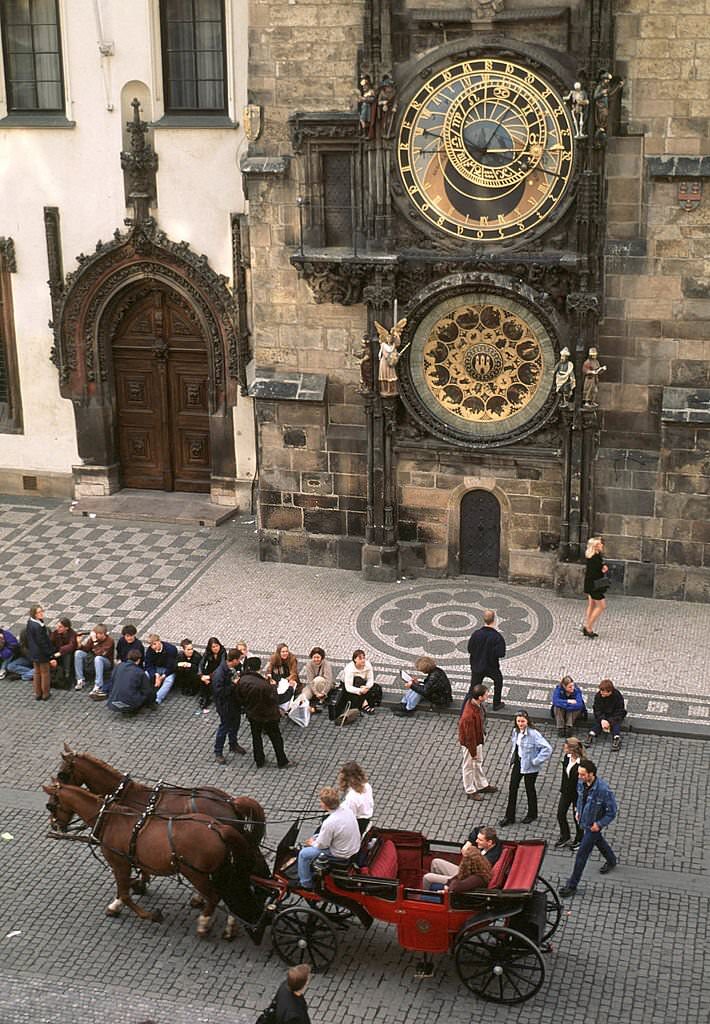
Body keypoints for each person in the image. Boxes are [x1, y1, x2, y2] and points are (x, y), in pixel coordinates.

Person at [559, 758, 618, 897]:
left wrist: (599, 824)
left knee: (582, 854)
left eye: (582, 774)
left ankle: (572, 885)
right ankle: (611, 860)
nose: (580, 777)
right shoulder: (581, 783)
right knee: (598, 841)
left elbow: (612, 812)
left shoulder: (603, 790)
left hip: (593, 825)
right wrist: (578, 811)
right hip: (585, 821)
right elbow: (580, 799)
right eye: (579, 774)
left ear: (592, 774)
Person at [297, 786, 361, 889]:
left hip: (340, 853)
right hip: (352, 846)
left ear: (325, 805)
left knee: (304, 854)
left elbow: (322, 845)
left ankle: (306, 883)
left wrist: (311, 843)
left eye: (321, 802)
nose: (320, 803)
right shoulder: (347, 809)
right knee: (316, 836)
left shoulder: (329, 822)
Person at [499, 711, 552, 826]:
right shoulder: (515, 731)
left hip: (530, 766)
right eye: (518, 721)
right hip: (519, 762)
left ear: (527, 721)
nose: (520, 724)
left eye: (522, 721)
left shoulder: (534, 734)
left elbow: (547, 748)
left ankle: (532, 814)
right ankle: (509, 816)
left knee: (529, 788)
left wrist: (536, 761)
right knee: (513, 787)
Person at [237, 656, 290, 769]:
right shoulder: (264, 685)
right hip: (268, 715)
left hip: (253, 714)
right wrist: (273, 686)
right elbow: (274, 699)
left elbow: (239, 697)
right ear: (259, 667)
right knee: (276, 737)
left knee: (256, 737)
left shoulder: (242, 680)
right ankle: (282, 761)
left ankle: (259, 760)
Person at [458, 683, 498, 801]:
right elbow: (469, 737)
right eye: (486, 694)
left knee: (477, 762)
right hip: (471, 743)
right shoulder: (469, 715)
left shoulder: (476, 704)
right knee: (469, 766)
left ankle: (481, 785)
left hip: (477, 739)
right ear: (480, 697)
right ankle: (470, 790)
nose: (488, 695)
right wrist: (473, 752)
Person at [466, 609, 506, 710]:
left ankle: (470, 704)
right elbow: (501, 653)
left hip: (477, 665)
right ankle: (496, 703)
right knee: (498, 681)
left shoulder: (476, 634)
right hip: (491, 666)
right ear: (494, 620)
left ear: (484, 619)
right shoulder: (497, 637)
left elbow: (470, 649)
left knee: (474, 686)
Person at [212, 648, 246, 764]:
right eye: (239, 659)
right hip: (225, 705)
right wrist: (233, 684)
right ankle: (218, 752)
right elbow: (219, 692)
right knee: (224, 727)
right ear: (234, 660)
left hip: (234, 703)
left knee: (235, 724)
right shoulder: (220, 673)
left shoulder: (232, 668)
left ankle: (233, 744)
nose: (240, 662)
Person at [423, 843, 492, 893]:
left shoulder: (476, 879)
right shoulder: (480, 868)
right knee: (436, 862)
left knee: (427, 877)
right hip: (462, 878)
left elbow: (455, 887)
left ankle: (426, 896)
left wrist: (448, 887)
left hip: (459, 885)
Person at [555, 737, 585, 849]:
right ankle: (565, 836)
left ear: (572, 749)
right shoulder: (567, 757)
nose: (564, 748)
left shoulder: (582, 764)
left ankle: (580, 839)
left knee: (577, 817)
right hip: (566, 791)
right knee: (560, 814)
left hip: (577, 794)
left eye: (566, 747)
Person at [106, 649, 154, 714]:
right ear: (138, 660)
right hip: (130, 704)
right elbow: (147, 690)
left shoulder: (118, 666)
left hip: (112, 702)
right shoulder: (139, 672)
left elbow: (112, 681)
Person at [74, 624, 115, 695]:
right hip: (93, 659)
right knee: (78, 653)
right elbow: (86, 649)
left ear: (103, 634)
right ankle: (80, 679)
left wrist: (95, 641)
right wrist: (79, 644)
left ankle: (98, 685)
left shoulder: (110, 641)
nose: (96, 635)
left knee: (98, 658)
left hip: (106, 662)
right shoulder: (93, 639)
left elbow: (100, 653)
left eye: (97, 634)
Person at [587, 678, 627, 752]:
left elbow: (619, 711)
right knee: (598, 723)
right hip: (603, 714)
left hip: (614, 715)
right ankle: (592, 734)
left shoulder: (617, 696)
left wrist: (609, 721)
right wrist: (602, 719)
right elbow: (597, 709)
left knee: (615, 724)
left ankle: (616, 738)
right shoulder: (598, 696)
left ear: (609, 692)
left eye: (603, 692)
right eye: (601, 691)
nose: (601, 693)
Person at [582, 535, 608, 638]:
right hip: (595, 586)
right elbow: (594, 573)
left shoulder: (594, 556)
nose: (602, 545)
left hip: (590, 584)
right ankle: (588, 627)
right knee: (601, 606)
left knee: (592, 605)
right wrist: (602, 570)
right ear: (596, 546)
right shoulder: (594, 558)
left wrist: (602, 567)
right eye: (601, 544)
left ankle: (587, 626)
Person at [26, 603, 53, 701]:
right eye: (39, 612)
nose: (41, 613)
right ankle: (45, 693)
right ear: (34, 614)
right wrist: (49, 652)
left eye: (42, 611)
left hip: (34, 652)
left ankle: (38, 693)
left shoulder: (30, 622)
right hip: (41, 653)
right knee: (45, 673)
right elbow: (42, 642)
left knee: (37, 673)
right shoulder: (38, 626)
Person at [337, 761, 374, 833]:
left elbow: (350, 817)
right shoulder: (367, 785)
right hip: (366, 817)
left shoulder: (352, 797)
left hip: (358, 824)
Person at [341, 649, 378, 715]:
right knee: (358, 680)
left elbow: (370, 679)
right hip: (350, 685)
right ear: (355, 659)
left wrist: (366, 687)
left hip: (363, 685)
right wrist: (360, 690)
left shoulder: (368, 665)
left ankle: (362, 704)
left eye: (364, 658)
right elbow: (348, 687)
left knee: (376, 688)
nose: (363, 660)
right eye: (360, 658)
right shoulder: (349, 669)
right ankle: (365, 704)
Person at [143, 634, 178, 705]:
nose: (153, 647)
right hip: (156, 668)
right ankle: (142, 694)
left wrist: (163, 677)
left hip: (167, 669)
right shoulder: (150, 650)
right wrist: (156, 675)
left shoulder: (171, 649)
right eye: (151, 645)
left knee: (169, 680)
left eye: (154, 644)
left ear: (159, 641)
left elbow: (172, 666)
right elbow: (148, 665)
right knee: (144, 675)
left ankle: (157, 699)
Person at [267, 642, 300, 713]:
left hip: (288, 678)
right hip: (277, 677)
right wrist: (270, 678)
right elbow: (269, 670)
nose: (285, 653)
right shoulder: (274, 658)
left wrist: (288, 680)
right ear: (279, 652)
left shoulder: (292, 659)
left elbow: (293, 673)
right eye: (283, 652)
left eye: (286, 651)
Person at [301, 646, 334, 712]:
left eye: (318, 657)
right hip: (313, 686)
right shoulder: (309, 665)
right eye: (314, 657)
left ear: (321, 657)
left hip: (324, 685)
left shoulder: (326, 664)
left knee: (318, 680)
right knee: (303, 697)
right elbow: (310, 681)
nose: (316, 659)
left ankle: (322, 699)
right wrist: (316, 693)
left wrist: (323, 693)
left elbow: (328, 680)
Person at [49, 617, 78, 689]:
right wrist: (52, 657)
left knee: (67, 654)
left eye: (60, 627)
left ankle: (67, 675)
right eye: (57, 626)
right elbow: (49, 644)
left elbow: (72, 645)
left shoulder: (72, 634)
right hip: (57, 655)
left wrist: (61, 652)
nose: (57, 628)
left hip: (70, 656)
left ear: (66, 628)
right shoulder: (55, 633)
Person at [198, 636, 225, 711]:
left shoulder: (223, 652)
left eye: (217, 646)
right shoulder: (207, 652)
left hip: (220, 672)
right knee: (203, 680)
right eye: (213, 647)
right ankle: (204, 697)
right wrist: (201, 675)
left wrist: (209, 677)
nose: (216, 648)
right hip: (210, 671)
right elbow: (201, 663)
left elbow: (221, 667)